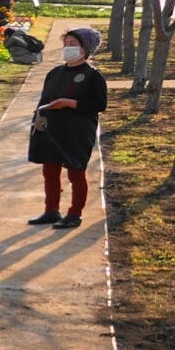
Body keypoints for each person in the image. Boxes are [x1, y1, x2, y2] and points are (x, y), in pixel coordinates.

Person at [27, 25, 107, 229]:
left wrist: (69, 103)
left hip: (77, 132)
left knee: (76, 173)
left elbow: (99, 105)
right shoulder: (54, 73)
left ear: (86, 49)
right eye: (66, 44)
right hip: (52, 130)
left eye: (73, 44)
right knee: (50, 170)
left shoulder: (92, 76)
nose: (68, 48)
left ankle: (74, 214)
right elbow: (45, 98)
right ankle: (51, 210)